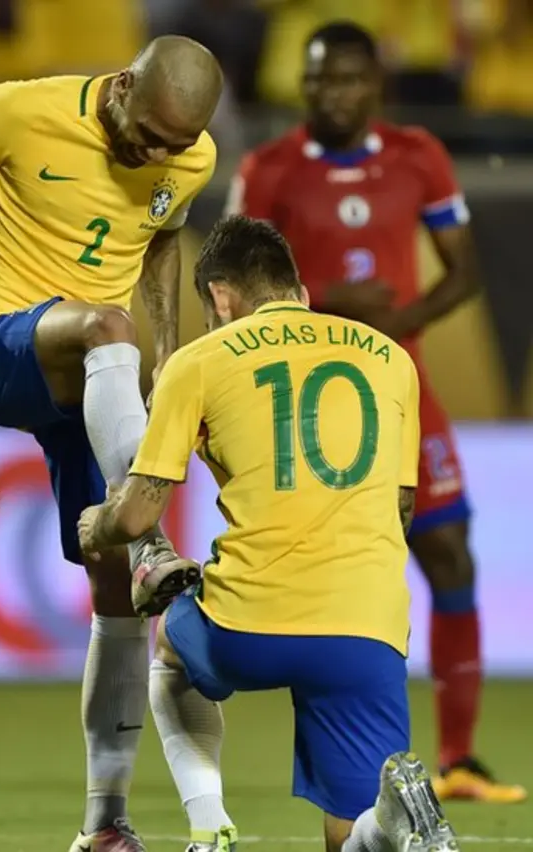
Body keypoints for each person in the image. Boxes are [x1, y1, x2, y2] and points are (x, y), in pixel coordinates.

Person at [0, 35, 223, 852]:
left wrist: (169, 353)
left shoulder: (191, 158)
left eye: (172, 147)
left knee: (120, 603)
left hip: (94, 389)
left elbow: (162, 235)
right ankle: (148, 535)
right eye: (146, 137)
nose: (156, 156)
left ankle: (103, 825)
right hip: (4, 347)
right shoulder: (20, 110)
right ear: (118, 88)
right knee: (106, 325)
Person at [77, 214, 458, 852]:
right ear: (300, 293)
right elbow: (400, 507)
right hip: (368, 625)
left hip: (253, 618)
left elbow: (140, 513)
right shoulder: (391, 359)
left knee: (168, 642)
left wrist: (100, 523)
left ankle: (209, 825)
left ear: (221, 298)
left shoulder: (199, 361)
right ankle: (391, 821)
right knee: (351, 828)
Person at [225, 20, 526, 804]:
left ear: (376, 84)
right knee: (331, 576)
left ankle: (459, 759)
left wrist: (395, 324)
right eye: (321, 80)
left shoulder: (418, 156)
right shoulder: (270, 170)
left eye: (350, 79)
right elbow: (229, 294)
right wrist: (329, 308)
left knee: (451, 554)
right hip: (309, 403)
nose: (335, 94)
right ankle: (339, 767)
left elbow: (464, 273)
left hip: (401, 390)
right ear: (303, 86)